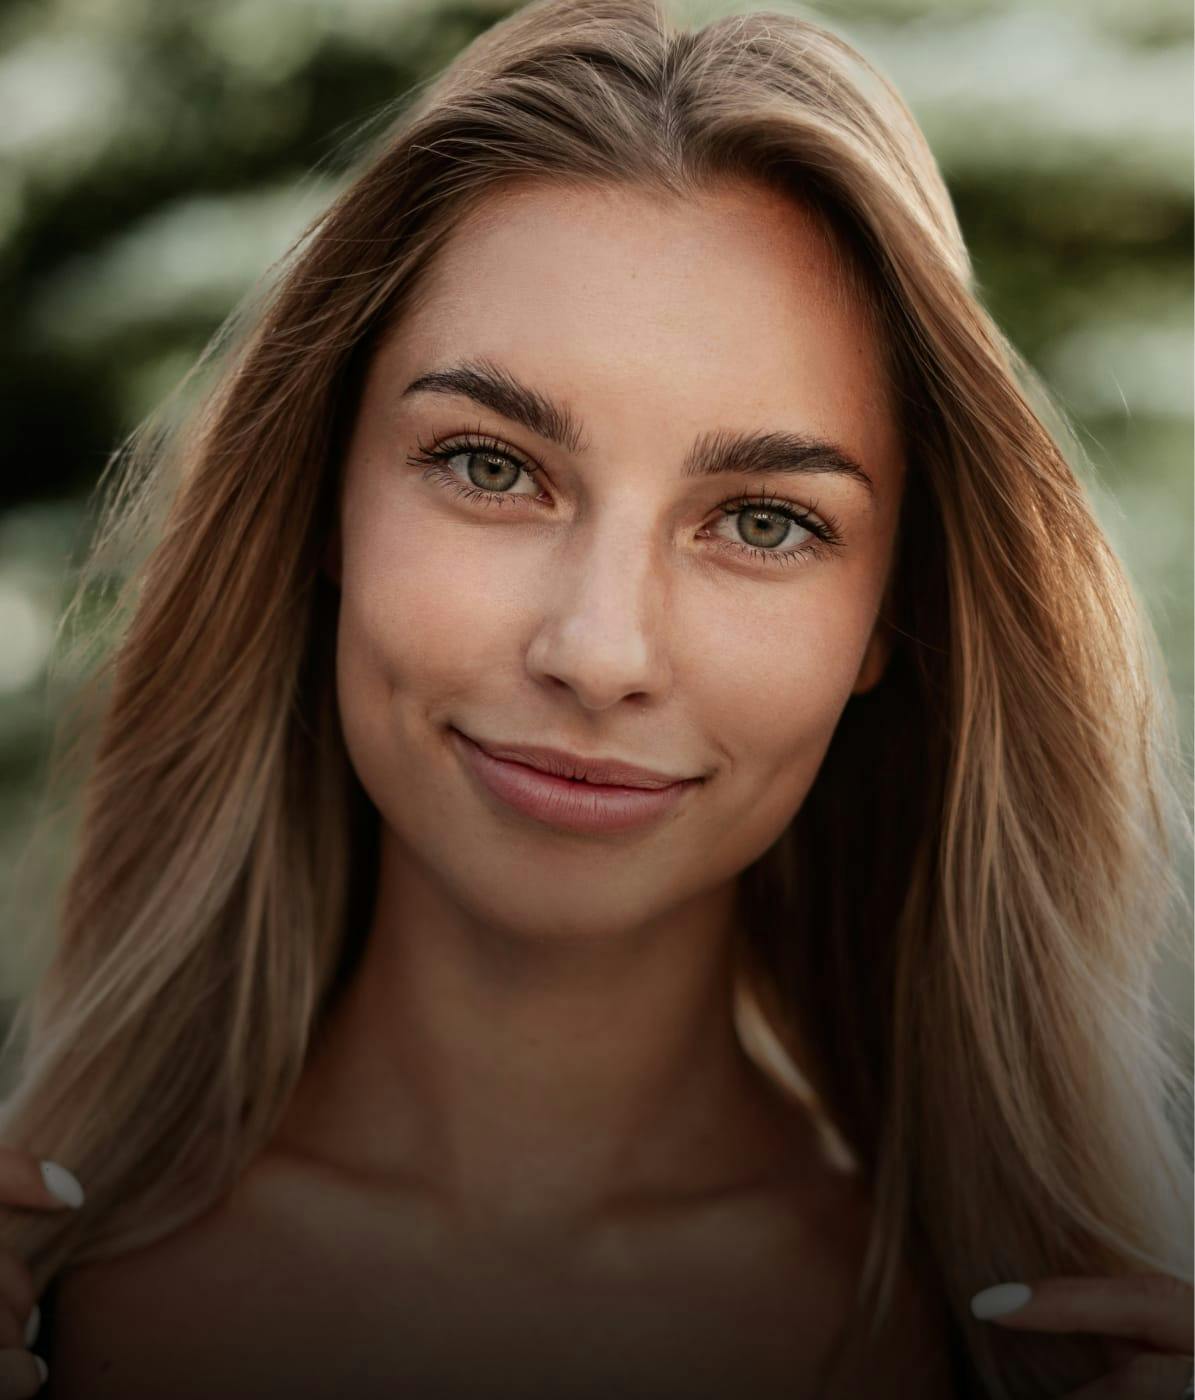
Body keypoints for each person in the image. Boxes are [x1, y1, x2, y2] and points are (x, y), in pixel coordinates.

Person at [0, 0, 1190, 1395]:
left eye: (764, 521)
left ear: (891, 615)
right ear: (321, 500)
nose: (601, 650)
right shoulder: (51, 1292)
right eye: (491, 466)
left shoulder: (1041, 1355)